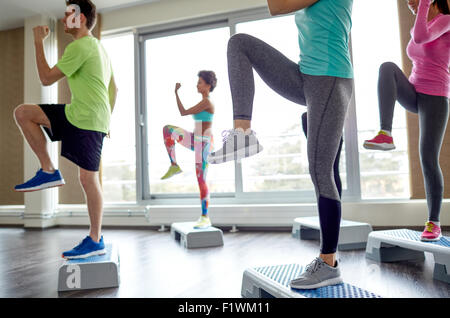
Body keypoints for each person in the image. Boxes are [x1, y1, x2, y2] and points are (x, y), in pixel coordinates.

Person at [208, 0, 354, 289]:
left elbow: (278, 6)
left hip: (329, 77)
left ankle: (328, 263)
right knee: (239, 44)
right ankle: (243, 133)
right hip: (306, 75)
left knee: (321, 170)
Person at [13, 0, 118, 258]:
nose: (63, 20)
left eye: (68, 14)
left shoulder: (80, 45)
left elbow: (46, 78)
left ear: (80, 18)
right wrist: (107, 120)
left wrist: (38, 42)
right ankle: (48, 170)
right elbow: (114, 89)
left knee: (88, 179)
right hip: (80, 114)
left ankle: (95, 240)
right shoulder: (99, 49)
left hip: (86, 119)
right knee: (24, 113)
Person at [364, 0, 449, 241]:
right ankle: (385, 133)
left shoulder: (446, 20)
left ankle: (433, 223)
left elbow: (422, 38)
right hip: (414, 91)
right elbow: (419, 37)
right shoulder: (420, 22)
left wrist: (423, 3)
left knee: (428, 159)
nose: (410, 3)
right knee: (387, 68)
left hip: (435, 98)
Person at [161, 71, 217, 229]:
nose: (197, 85)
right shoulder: (203, 102)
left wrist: (176, 93)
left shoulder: (207, 102)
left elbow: (184, 112)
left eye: (200, 82)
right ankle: (174, 165)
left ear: (208, 85)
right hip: (195, 138)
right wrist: (176, 93)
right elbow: (184, 112)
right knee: (168, 130)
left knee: (201, 180)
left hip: (205, 143)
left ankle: (205, 217)